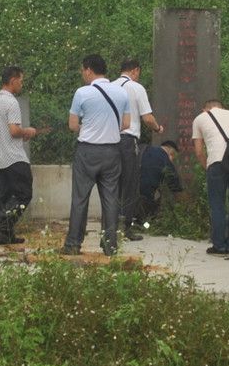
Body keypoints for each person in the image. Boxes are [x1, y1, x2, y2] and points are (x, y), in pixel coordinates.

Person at [61, 54, 129, 257]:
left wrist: (89, 127)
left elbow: (72, 125)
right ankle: (110, 245)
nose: (83, 74)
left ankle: (73, 244)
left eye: (83, 70)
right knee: (110, 199)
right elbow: (126, 124)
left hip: (87, 152)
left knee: (80, 198)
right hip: (112, 152)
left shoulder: (82, 93)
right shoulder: (121, 93)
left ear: (89, 70)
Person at [0, 66, 40, 245]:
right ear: (13, 81)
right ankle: (1, 222)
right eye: (21, 81)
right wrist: (28, 131)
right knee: (24, 194)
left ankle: (5, 235)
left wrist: (7, 133)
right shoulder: (12, 102)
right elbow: (14, 130)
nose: (21, 84)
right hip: (15, 158)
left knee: (6, 198)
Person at [192, 99, 229, 257]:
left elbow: (199, 152)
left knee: (217, 205)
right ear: (222, 107)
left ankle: (219, 246)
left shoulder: (200, 118)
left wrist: (208, 166)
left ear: (205, 109)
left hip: (217, 163)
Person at [117, 57, 162, 240]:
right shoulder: (136, 88)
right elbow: (148, 118)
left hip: (109, 141)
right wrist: (158, 128)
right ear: (135, 70)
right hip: (128, 141)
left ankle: (110, 226)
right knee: (129, 185)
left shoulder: (110, 86)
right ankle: (125, 228)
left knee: (112, 184)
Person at [137, 139, 182, 223]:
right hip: (145, 196)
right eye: (173, 157)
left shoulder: (145, 149)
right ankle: (145, 225)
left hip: (129, 192)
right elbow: (173, 181)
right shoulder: (164, 157)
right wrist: (180, 198)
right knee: (147, 220)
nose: (172, 160)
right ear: (171, 151)